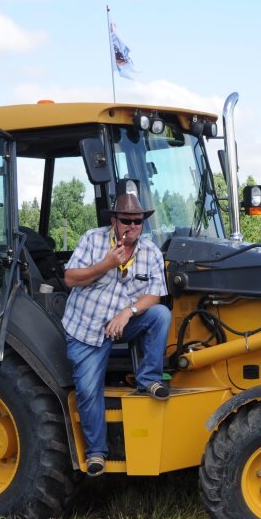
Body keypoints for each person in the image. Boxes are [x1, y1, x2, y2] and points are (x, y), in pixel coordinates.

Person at [62, 192, 172, 477]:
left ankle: (149, 379)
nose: (132, 226)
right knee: (87, 390)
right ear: (114, 220)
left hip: (121, 324)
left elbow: (155, 296)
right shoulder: (93, 239)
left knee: (160, 315)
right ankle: (97, 453)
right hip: (87, 328)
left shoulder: (151, 253)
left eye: (138, 221)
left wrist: (128, 313)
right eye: (126, 220)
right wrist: (106, 265)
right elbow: (70, 278)